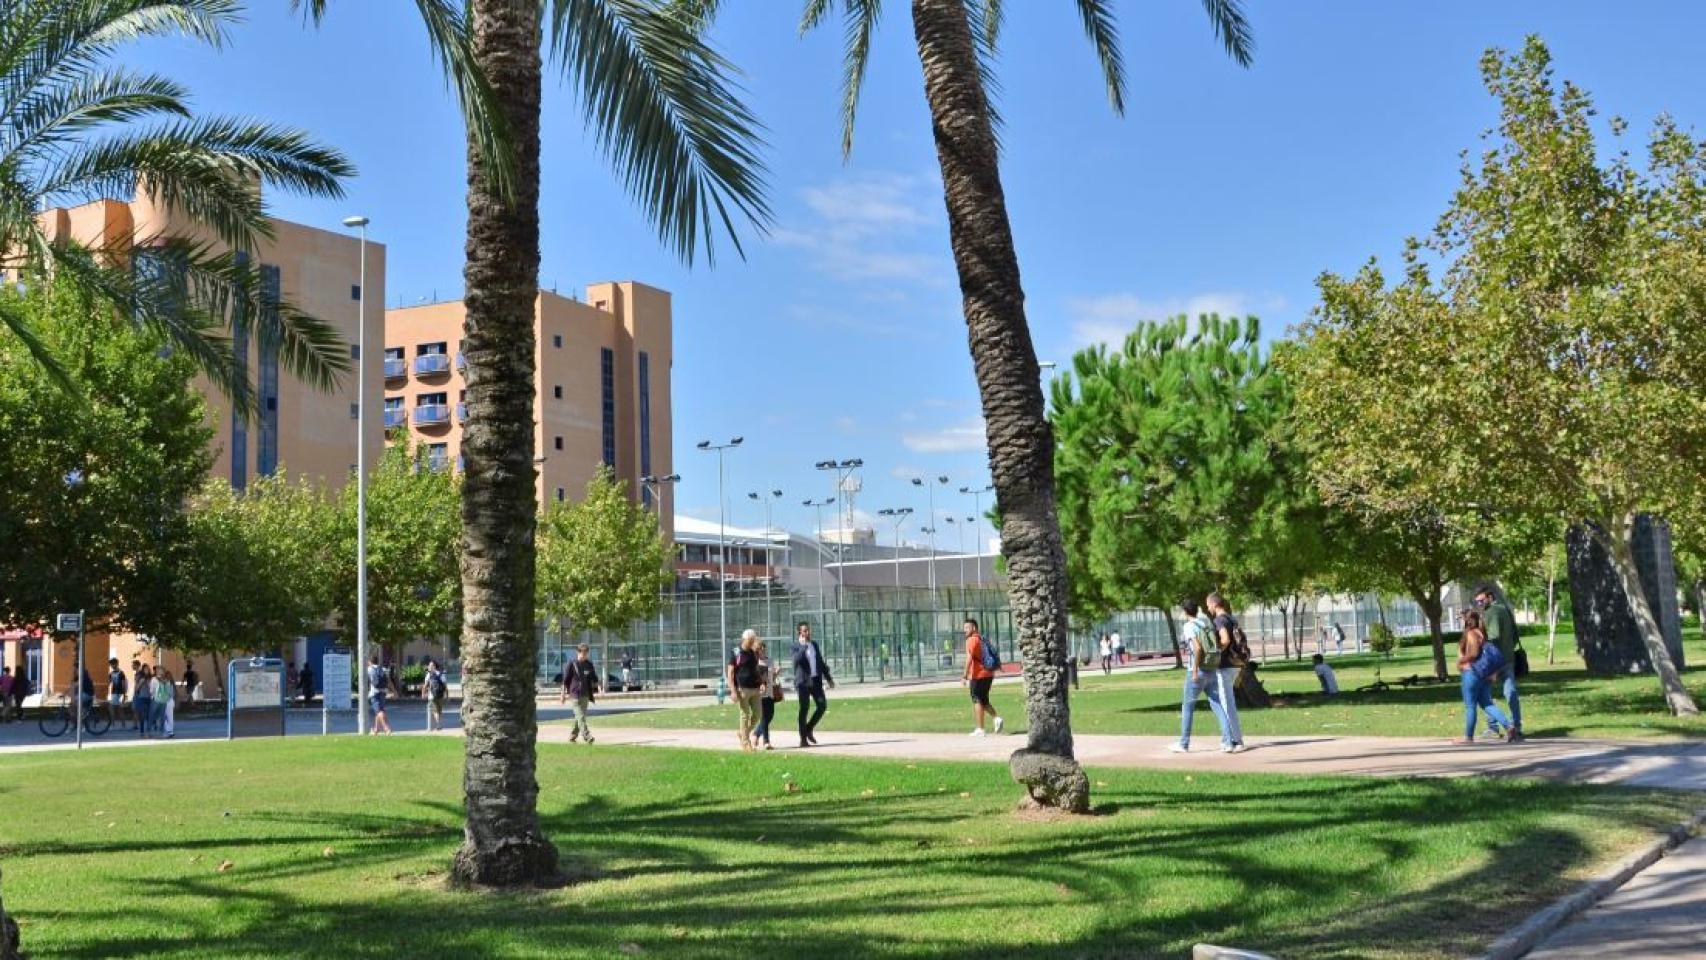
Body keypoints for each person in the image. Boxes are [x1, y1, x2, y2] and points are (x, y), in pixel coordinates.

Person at [1169, 599, 1232, 753]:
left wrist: (1195, 670)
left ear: (1185, 612)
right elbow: (1218, 643)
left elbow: (1197, 649)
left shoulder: (1189, 626)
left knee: (1188, 707)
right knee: (1217, 704)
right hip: (1211, 668)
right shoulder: (1205, 623)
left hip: (1196, 670)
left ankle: (1183, 743)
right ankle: (1228, 742)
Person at [1455, 609, 1515, 745]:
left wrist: (1460, 661)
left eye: (1461, 618)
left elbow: (1474, 653)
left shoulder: (1471, 633)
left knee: (1470, 706)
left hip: (1471, 673)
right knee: (1486, 703)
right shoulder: (1481, 633)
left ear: (1467, 620)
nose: (1460, 620)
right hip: (1484, 674)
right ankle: (1509, 726)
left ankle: (1468, 737)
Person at [1476, 586, 1525, 743]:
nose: (1479, 604)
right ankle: (1516, 725)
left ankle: (1493, 727)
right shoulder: (1505, 609)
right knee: (1510, 692)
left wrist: (1479, 639)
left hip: (1493, 660)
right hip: (1508, 657)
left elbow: (1494, 635)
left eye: (1481, 601)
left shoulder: (1492, 612)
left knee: (1485, 694)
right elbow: (1515, 634)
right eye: (1477, 602)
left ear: (1490, 598)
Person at [1205, 593, 1247, 753]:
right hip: (1235, 664)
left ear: (1214, 604)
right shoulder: (1231, 619)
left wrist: (1216, 652)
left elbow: (1226, 639)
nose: (1208, 608)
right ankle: (1231, 738)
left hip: (1225, 665)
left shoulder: (1219, 620)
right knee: (1228, 703)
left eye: (1208, 605)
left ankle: (1235, 740)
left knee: (1226, 704)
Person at [792, 622, 834, 747]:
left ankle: (809, 728)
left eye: (808, 630)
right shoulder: (795, 646)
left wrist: (829, 678)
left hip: (816, 681)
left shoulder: (814, 645)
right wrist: (803, 646)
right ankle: (803, 739)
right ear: (799, 633)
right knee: (804, 709)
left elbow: (820, 662)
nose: (807, 633)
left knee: (822, 706)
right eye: (805, 631)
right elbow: (796, 660)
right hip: (803, 683)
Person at [961, 618, 1004, 737]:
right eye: (964, 628)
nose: (965, 630)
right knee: (984, 700)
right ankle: (996, 718)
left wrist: (964, 675)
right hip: (989, 674)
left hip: (978, 675)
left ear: (974, 628)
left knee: (977, 700)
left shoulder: (971, 640)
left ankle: (980, 729)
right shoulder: (982, 639)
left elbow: (969, 658)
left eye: (967, 628)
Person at [728, 631, 762, 752]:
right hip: (742, 688)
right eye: (751, 640)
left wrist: (762, 682)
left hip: (755, 688)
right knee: (744, 715)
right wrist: (732, 690)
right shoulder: (736, 652)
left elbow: (756, 668)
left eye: (754, 639)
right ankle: (746, 744)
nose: (753, 642)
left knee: (758, 714)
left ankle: (743, 733)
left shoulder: (753, 652)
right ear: (744, 639)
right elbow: (730, 673)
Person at [567, 645, 599, 743]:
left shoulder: (589, 664)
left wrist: (599, 687)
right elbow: (566, 679)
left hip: (585, 693)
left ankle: (573, 734)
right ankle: (587, 735)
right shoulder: (572, 663)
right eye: (583, 653)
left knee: (580, 716)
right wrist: (563, 694)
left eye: (586, 653)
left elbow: (594, 677)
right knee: (580, 716)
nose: (584, 656)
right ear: (578, 652)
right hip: (575, 694)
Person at [752, 639, 778, 750]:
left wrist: (776, 673)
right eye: (760, 647)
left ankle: (756, 734)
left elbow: (772, 678)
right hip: (760, 693)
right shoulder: (755, 662)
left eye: (764, 646)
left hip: (770, 691)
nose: (762, 649)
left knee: (770, 715)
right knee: (764, 718)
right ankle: (766, 742)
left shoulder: (770, 660)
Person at [366, 655, 391, 735]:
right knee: (378, 711)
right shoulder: (383, 669)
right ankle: (376, 729)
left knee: (379, 711)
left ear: (370, 661)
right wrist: (394, 691)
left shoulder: (369, 669)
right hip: (383, 692)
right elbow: (389, 681)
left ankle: (386, 729)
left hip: (374, 693)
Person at [424, 659, 448, 732]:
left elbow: (425, 685)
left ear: (434, 666)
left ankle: (437, 725)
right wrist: (447, 694)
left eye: (430, 665)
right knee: (438, 710)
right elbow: (445, 685)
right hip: (440, 694)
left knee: (435, 711)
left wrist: (423, 693)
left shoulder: (429, 674)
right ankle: (436, 725)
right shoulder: (441, 674)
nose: (429, 667)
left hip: (432, 695)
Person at [132, 663, 154, 738]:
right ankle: (141, 731)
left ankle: (148, 732)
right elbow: (136, 688)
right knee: (142, 715)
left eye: (148, 669)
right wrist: (141, 682)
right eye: (145, 669)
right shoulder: (140, 677)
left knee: (148, 715)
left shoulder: (151, 678)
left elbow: (153, 688)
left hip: (149, 698)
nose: (147, 670)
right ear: (143, 670)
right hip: (141, 698)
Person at [153, 668, 176, 739]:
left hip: (167, 701)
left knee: (163, 717)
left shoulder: (167, 682)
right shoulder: (169, 682)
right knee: (169, 718)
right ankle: (170, 732)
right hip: (168, 701)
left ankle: (169, 731)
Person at [105, 657, 128, 728]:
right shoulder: (111, 673)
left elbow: (123, 684)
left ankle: (119, 724)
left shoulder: (121, 673)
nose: (111, 666)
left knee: (118, 709)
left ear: (116, 664)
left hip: (120, 693)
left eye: (112, 664)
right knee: (114, 708)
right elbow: (109, 683)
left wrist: (124, 694)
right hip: (114, 693)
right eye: (111, 664)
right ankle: (116, 724)